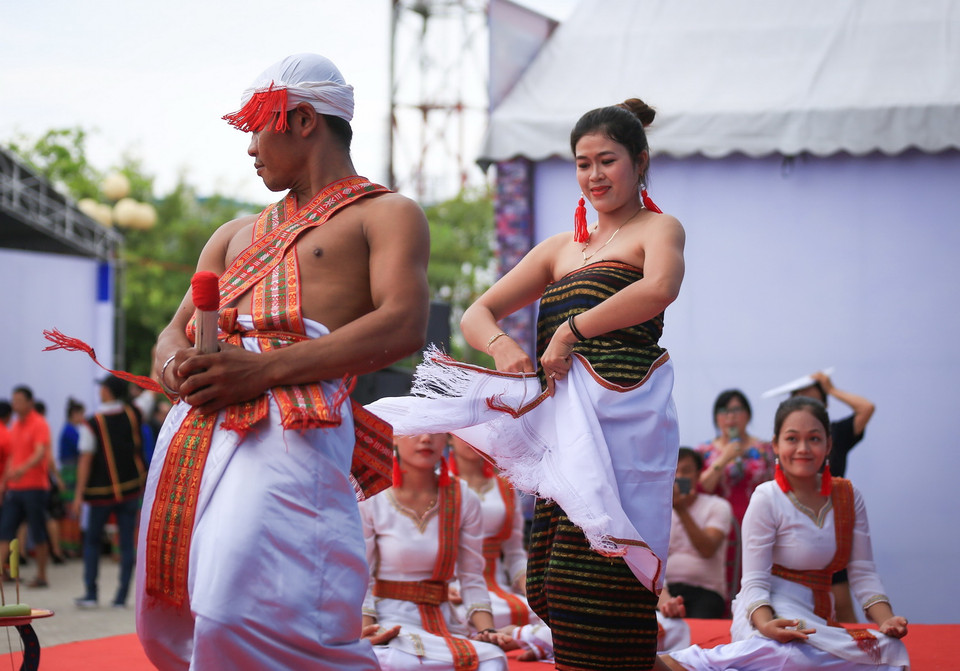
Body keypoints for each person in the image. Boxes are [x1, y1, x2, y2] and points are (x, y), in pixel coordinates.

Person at [134, 53, 430, 670]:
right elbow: (173, 332)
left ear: (300, 121)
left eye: (256, 128)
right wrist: (177, 370)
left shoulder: (387, 214)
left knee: (247, 604)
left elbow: (404, 323)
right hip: (199, 427)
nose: (249, 149)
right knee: (176, 599)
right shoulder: (234, 232)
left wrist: (260, 371)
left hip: (295, 426)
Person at [369, 98, 685, 670]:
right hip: (563, 430)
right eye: (582, 163)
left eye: (607, 161)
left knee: (606, 575)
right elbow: (476, 314)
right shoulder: (559, 248)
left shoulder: (658, 229)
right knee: (555, 580)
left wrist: (568, 331)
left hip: (623, 424)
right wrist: (503, 345)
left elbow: (660, 288)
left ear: (639, 162)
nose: (594, 175)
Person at [660, 397, 909, 671]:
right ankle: (691, 662)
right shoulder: (766, 497)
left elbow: (863, 572)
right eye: (792, 439)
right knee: (789, 650)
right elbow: (754, 580)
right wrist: (767, 625)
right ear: (776, 445)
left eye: (814, 439)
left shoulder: (849, 497)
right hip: (766, 608)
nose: (803, 449)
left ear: (828, 444)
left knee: (890, 652)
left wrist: (886, 620)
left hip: (818, 616)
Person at [360, 432, 509, 670]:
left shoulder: (464, 497)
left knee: (493, 659)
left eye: (436, 431)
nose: (426, 438)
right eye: (415, 431)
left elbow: (472, 577)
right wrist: (366, 634)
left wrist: (487, 631)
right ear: (394, 438)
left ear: (446, 439)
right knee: (392, 660)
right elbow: (360, 578)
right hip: (391, 620)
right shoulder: (372, 496)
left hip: (444, 622)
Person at [448, 434, 554, 662]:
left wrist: (531, 587)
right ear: (449, 436)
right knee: (457, 614)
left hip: (500, 589)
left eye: (477, 433)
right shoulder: (439, 486)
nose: (472, 440)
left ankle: (513, 637)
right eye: (464, 433)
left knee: (547, 612)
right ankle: (517, 637)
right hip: (453, 588)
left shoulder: (505, 487)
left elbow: (515, 552)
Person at [790, 370, 876, 623]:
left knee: (840, 603)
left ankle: (856, 653)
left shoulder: (836, 433)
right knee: (797, 605)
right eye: (801, 400)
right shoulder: (788, 436)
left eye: (816, 400)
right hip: (795, 524)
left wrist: (831, 388)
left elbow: (866, 408)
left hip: (830, 525)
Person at [72, 375, 147, 609]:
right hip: (130, 489)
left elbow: (85, 460)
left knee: (93, 541)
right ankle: (121, 597)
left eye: (102, 388)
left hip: (100, 493)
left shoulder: (92, 423)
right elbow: (150, 395)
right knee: (126, 544)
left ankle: (91, 594)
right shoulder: (133, 413)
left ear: (107, 392)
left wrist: (77, 496)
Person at [662, 447, 732, 619]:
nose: (678, 477)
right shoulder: (660, 512)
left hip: (706, 592)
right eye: (674, 471)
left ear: (698, 475)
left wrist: (681, 509)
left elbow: (707, 549)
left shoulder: (717, 506)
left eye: (685, 471)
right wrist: (665, 598)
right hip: (665, 592)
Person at [696, 389, 775, 525]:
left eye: (736, 410)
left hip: (759, 521)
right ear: (716, 417)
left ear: (748, 415)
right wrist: (724, 458)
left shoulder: (765, 449)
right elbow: (698, 489)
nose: (730, 416)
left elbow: (776, 485)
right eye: (724, 411)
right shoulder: (703, 451)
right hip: (715, 527)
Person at [0, 386, 52, 588]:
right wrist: (5, 482)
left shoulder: (39, 424)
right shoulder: (15, 426)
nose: (15, 405)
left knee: (37, 531)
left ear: (30, 402)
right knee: (5, 530)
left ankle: (42, 575)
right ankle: (2, 572)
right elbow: (12, 456)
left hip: (35, 487)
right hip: (15, 488)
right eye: (14, 401)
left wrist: (23, 469)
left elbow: (40, 453)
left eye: (19, 400)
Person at [57, 398, 85, 558]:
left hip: (72, 470)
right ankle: (68, 546)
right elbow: (81, 447)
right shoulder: (70, 430)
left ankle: (72, 544)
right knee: (70, 510)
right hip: (71, 472)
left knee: (73, 510)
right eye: (81, 413)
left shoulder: (71, 429)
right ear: (74, 414)